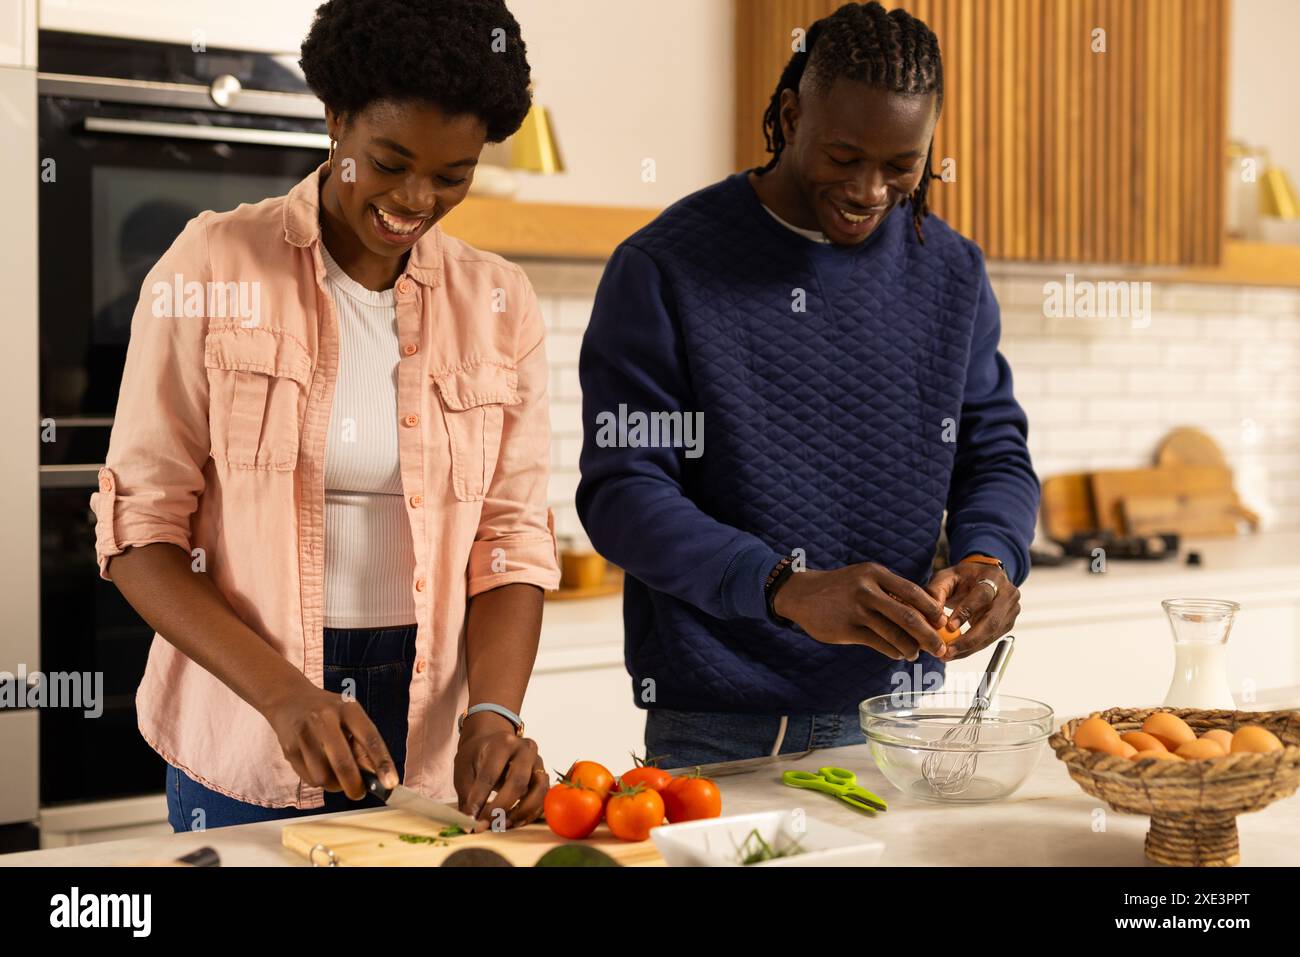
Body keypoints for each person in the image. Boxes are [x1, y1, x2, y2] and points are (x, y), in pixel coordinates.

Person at [91, 0, 560, 831]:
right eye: (389, 162)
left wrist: (494, 714)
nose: (416, 199)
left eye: (452, 176)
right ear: (336, 119)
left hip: (422, 725)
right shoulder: (212, 262)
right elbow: (139, 533)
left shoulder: (498, 300)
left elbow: (512, 539)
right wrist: (283, 694)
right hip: (248, 717)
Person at [576, 1, 1039, 767]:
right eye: (844, 155)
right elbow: (622, 494)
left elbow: (995, 452)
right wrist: (784, 587)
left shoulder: (951, 271)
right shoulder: (664, 268)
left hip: (900, 718)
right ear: (791, 115)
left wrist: (992, 557)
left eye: (901, 165)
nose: (868, 190)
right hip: (717, 730)